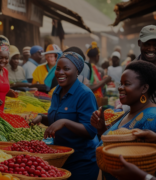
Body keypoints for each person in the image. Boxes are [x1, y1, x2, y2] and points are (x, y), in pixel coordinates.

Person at [32, 52, 99, 180]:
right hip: (61, 157)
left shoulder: (85, 94)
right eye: (58, 68)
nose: (60, 72)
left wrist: (65, 122)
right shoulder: (57, 90)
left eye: (66, 69)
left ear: (77, 72)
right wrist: (41, 117)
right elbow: (56, 119)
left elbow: (91, 131)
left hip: (82, 160)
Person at [91, 60, 156, 180]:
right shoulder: (127, 113)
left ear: (144, 88)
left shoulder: (152, 117)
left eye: (127, 84)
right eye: (121, 83)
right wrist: (102, 130)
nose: (120, 88)